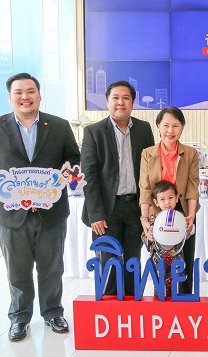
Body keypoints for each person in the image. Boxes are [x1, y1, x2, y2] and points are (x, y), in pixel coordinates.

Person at [0, 73, 80, 341]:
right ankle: (19, 318)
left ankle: (53, 313)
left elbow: (74, 158)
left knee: (52, 268)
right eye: (18, 92)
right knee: (17, 271)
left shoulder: (59, 126)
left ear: (39, 95)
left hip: (51, 212)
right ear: (10, 97)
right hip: (10, 214)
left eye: (30, 91)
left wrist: (68, 171)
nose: (25, 97)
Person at [81, 80, 154, 296]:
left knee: (133, 262)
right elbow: (89, 175)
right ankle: (110, 310)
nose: (120, 102)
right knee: (109, 263)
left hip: (135, 208)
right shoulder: (94, 131)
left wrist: (148, 210)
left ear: (132, 102)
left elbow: (149, 170)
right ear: (107, 101)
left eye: (126, 98)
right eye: (115, 98)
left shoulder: (143, 129)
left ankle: (132, 308)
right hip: (106, 211)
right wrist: (96, 214)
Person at [139, 107, 199, 294]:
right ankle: (161, 298)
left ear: (182, 127)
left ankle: (186, 298)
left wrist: (190, 215)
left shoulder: (191, 153)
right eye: (166, 125)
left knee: (185, 259)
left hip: (183, 212)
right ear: (158, 126)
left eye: (175, 126)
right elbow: (145, 188)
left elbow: (193, 186)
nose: (170, 130)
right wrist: (144, 218)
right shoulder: (148, 153)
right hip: (157, 213)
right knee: (160, 261)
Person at [142, 180, 191, 297]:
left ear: (177, 198)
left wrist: (188, 230)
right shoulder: (154, 218)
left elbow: (187, 234)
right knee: (160, 288)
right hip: (158, 259)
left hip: (176, 258)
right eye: (162, 199)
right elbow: (144, 236)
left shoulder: (180, 218)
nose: (167, 202)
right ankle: (160, 306)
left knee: (176, 287)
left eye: (170, 198)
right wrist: (149, 237)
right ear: (156, 202)